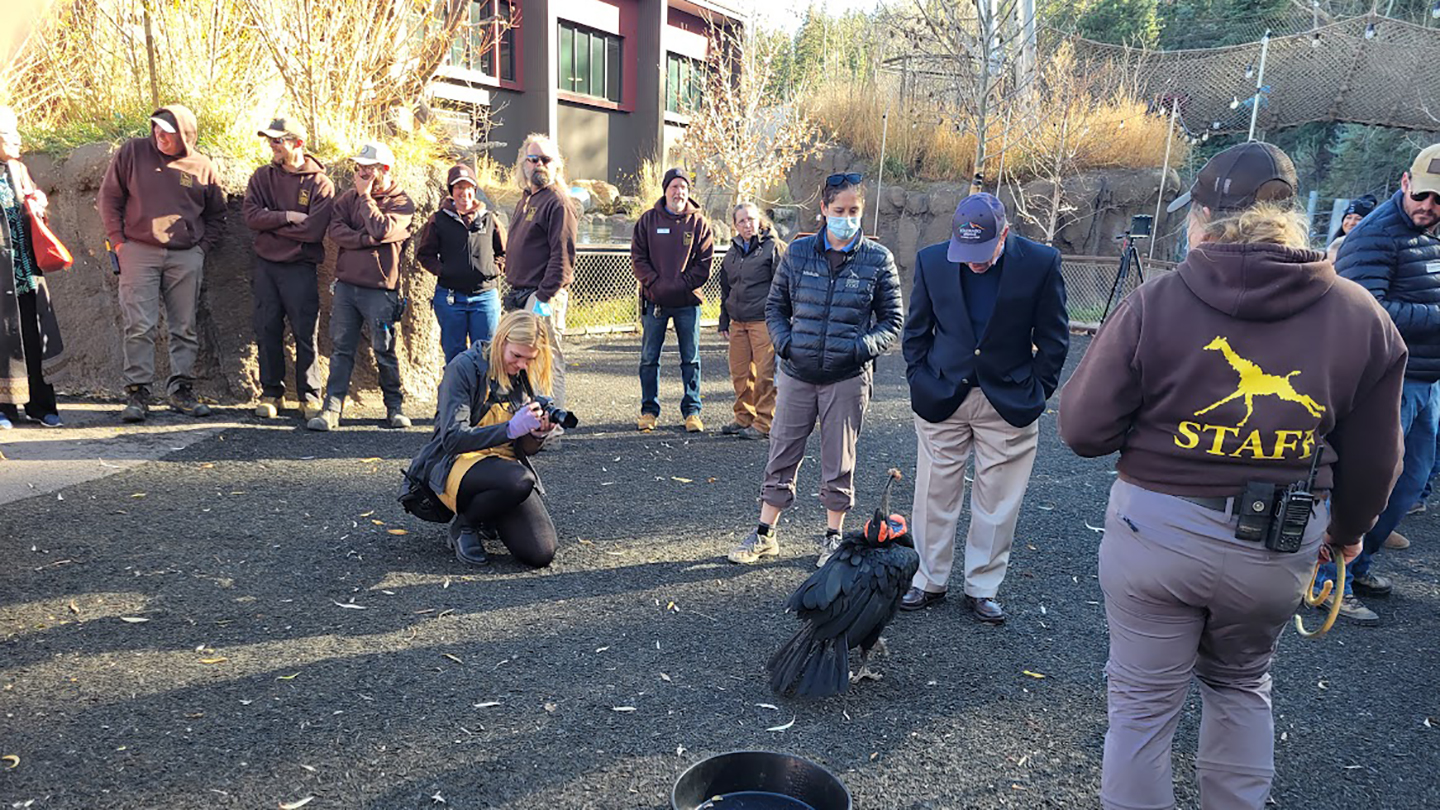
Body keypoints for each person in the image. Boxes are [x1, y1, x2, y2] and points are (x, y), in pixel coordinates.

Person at [1058, 141, 1405, 810]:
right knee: (1242, 686)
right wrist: (1351, 534)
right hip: (1277, 541)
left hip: (1155, 532)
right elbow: (1376, 459)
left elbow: (1081, 430)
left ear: (1206, 217)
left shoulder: (1157, 301)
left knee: (1140, 708)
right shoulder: (1361, 316)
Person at [898, 193, 1070, 624]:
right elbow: (916, 331)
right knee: (933, 494)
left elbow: (1054, 337)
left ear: (1004, 235)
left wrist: (1038, 390)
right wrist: (918, 379)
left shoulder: (1040, 262)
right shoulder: (933, 261)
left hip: (1009, 398)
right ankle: (927, 578)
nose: (972, 262)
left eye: (982, 252)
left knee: (998, 502)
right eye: (965, 252)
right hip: (941, 394)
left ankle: (982, 586)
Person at [726, 173, 903, 566]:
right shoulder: (799, 253)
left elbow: (892, 320)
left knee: (839, 459)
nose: (846, 218)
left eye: (854, 211)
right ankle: (764, 533)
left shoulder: (877, 259)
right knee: (782, 451)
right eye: (838, 210)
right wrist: (786, 344)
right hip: (797, 373)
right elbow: (775, 307)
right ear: (823, 209)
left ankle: (832, 536)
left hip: (846, 377)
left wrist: (859, 349)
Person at [1311, 143, 1440, 624]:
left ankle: (1357, 564)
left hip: (1424, 378)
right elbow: (1367, 310)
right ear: (1406, 182)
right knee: (1370, 484)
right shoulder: (1375, 235)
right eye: (1423, 194)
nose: (1429, 206)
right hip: (1389, 381)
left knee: (1409, 485)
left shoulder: (1427, 235)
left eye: (1439, 199)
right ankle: (1326, 582)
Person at [98, 104, 225, 422]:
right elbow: (109, 197)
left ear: (184, 135)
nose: (159, 135)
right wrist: (119, 243)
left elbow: (217, 214)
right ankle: (138, 393)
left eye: (166, 132)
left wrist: (200, 250)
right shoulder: (133, 152)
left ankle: (181, 390)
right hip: (138, 250)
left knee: (184, 327)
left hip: (185, 255)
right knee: (139, 325)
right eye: (155, 128)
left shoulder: (202, 166)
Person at [403, 309, 559, 568]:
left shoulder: (524, 374)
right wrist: (510, 428)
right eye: (516, 356)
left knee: (541, 552)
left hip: (503, 470)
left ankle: (490, 512)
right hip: (457, 462)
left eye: (530, 359)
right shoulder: (464, 368)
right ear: (501, 340)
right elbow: (452, 439)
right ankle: (465, 524)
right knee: (520, 478)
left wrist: (537, 433)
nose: (522, 365)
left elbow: (524, 449)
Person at [308, 141, 415, 431]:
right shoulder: (346, 199)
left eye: (370, 167)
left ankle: (394, 408)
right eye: (360, 167)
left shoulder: (402, 202)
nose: (363, 172)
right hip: (346, 287)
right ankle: (331, 409)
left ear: (386, 169)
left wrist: (366, 199)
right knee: (341, 348)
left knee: (385, 350)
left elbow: (382, 228)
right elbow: (336, 232)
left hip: (381, 290)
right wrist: (367, 241)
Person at [241, 116, 334, 421]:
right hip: (267, 266)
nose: (272, 145)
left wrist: (272, 224)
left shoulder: (320, 182)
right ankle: (271, 393)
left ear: (297, 143)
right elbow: (252, 217)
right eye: (270, 140)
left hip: (300, 267)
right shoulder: (261, 177)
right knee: (267, 328)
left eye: (278, 140)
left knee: (305, 332)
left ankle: (310, 395)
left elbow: (313, 231)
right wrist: (287, 217)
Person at [632, 168, 715, 432]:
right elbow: (638, 259)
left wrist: (679, 286)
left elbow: (704, 265)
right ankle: (649, 410)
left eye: (683, 187)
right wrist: (656, 285)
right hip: (654, 301)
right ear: (665, 190)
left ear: (689, 192)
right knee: (649, 358)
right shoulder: (647, 220)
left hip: (688, 302)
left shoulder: (699, 223)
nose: (678, 192)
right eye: (674, 187)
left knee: (690, 359)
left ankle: (692, 411)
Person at [0, 107, 64, 428]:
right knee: (3, 340)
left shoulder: (19, 170)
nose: (17, 142)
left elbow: (31, 213)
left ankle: (41, 405)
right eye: (9, 137)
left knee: (33, 334)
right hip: (0, 276)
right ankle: (4, 410)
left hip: (26, 272)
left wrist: (36, 203)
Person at [504, 134, 576, 410]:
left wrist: (542, 298)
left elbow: (563, 256)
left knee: (546, 362)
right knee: (522, 362)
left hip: (543, 296)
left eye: (546, 159)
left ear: (556, 165)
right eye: (533, 159)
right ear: (524, 163)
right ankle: (528, 423)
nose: (539, 165)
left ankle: (551, 429)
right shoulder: (526, 199)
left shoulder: (558, 202)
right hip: (520, 294)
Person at [415, 164, 506, 364]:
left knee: (486, 353)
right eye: (458, 188)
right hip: (450, 298)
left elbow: (504, 253)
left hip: (485, 297)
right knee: (454, 354)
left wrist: (492, 269)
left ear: (474, 191)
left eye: (468, 187)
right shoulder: (438, 220)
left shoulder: (490, 218)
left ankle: (482, 394)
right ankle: (457, 394)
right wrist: (444, 271)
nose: (464, 193)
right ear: (451, 191)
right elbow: (425, 254)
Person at [718, 202, 783, 440]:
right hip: (738, 320)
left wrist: (783, 319)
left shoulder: (773, 248)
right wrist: (723, 320)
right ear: (735, 225)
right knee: (740, 373)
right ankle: (743, 416)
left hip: (763, 320)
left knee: (765, 373)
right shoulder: (732, 252)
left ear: (760, 221)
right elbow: (726, 288)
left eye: (751, 219)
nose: (748, 224)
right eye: (742, 221)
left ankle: (765, 421)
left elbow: (783, 285)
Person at [1325, 193, 1376, 262]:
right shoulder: (1335, 244)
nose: (1351, 223)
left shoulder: (1371, 249)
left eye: (1358, 219)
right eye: (1348, 217)